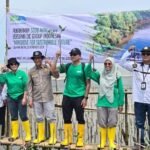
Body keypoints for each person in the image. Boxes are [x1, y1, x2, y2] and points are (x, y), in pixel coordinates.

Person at [54, 48, 91, 147]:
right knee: (66, 118)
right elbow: (54, 71)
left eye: (74, 54)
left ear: (79, 56)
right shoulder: (67, 66)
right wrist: (56, 57)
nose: (72, 56)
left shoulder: (84, 67)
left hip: (79, 96)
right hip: (67, 96)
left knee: (80, 118)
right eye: (71, 54)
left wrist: (85, 98)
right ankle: (68, 138)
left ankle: (80, 139)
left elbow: (88, 84)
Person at [88, 56, 124, 149]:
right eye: (105, 64)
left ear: (113, 64)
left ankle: (111, 142)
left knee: (112, 122)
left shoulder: (117, 75)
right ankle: (102, 142)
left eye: (109, 63)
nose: (107, 65)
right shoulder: (100, 75)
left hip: (113, 103)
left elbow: (121, 91)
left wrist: (121, 104)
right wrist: (90, 61)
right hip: (101, 102)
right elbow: (88, 72)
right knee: (102, 122)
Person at [120, 46, 150, 147]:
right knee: (139, 124)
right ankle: (141, 144)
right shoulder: (136, 66)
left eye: (148, 54)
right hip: (139, 100)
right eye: (143, 53)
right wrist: (128, 51)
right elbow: (122, 63)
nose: (145, 55)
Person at [28, 51, 59, 144]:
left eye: (39, 58)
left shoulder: (47, 68)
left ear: (41, 59)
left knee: (51, 118)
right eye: (35, 58)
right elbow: (29, 86)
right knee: (38, 117)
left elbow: (57, 76)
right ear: (33, 60)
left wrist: (51, 65)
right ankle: (41, 136)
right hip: (36, 98)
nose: (37, 60)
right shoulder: (31, 71)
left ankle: (53, 137)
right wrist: (30, 98)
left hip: (48, 98)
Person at [0, 58, 31, 142]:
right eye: (11, 64)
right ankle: (15, 134)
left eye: (15, 64)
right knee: (13, 116)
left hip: (21, 96)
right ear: (9, 66)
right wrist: (2, 71)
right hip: (11, 98)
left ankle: (28, 135)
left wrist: (25, 98)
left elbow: (26, 86)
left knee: (23, 115)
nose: (13, 65)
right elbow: (1, 80)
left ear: (17, 65)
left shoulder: (22, 74)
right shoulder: (7, 75)